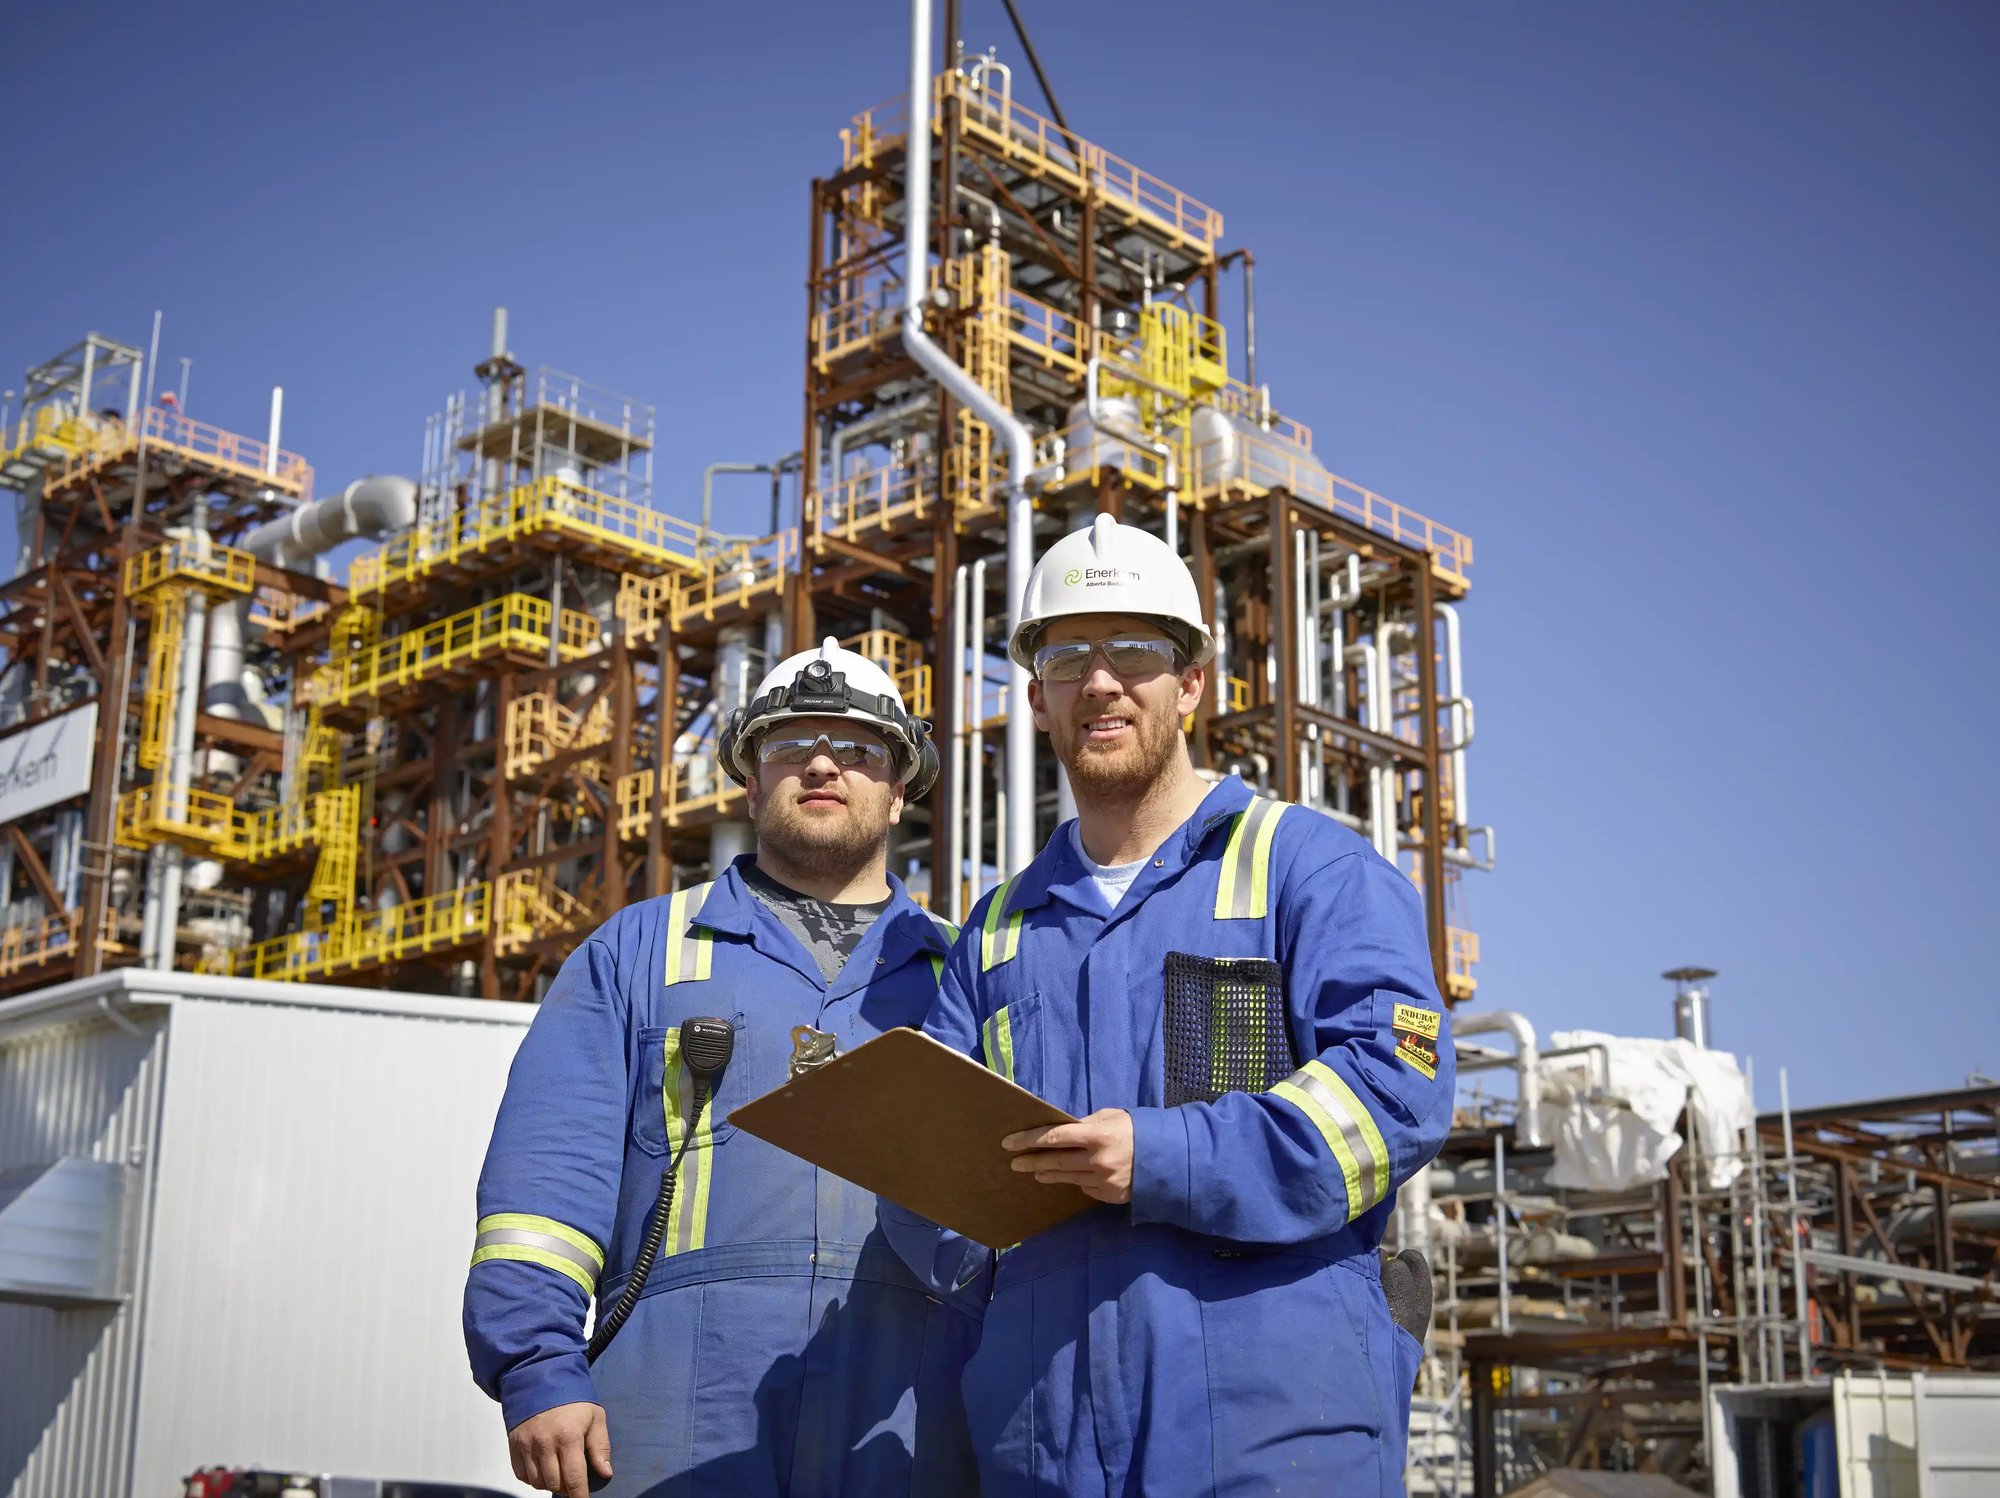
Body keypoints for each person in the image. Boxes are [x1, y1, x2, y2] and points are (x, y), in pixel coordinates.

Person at [883, 515, 1454, 1496]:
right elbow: (919, 1177)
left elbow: (1389, 1097)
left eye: (1133, 651)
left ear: (1190, 682)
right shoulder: (997, 931)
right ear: (1036, 697)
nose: (1098, 681)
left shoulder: (1302, 872)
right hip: (1041, 1446)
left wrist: (1158, 1157)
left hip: (1272, 1438)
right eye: (1067, 656)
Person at [466, 638, 980, 1498]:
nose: (822, 763)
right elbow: (544, 1187)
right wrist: (536, 1366)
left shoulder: (967, 973)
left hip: (913, 1405)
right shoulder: (639, 954)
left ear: (900, 792)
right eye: (790, 746)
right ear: (750, 777)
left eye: (857, 750)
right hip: (673, 1404)